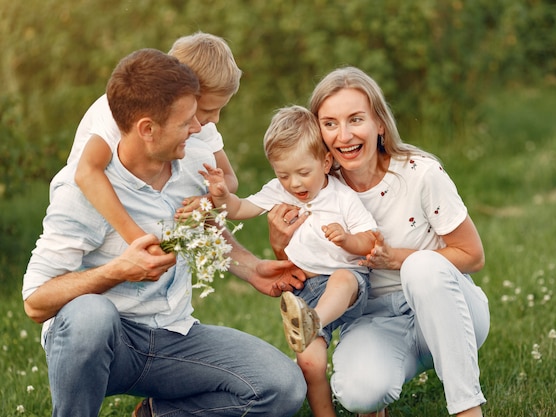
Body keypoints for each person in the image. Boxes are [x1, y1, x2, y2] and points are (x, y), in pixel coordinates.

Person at [22, 48, 307, 417]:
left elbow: (203, 224)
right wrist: (118, 271)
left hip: (173, 337)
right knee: (91, 316)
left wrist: (252, 268)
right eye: (187, 120)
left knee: (281, 387)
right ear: (147, 129)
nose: (199, 128)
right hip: (106, 344)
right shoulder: (82, 189)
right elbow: (34, 302)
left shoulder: (189, 159)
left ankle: (156, 414)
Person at [267, 67, 490, 417]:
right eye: (329, 123)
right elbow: (307, 268)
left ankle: (467, 409)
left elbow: (473, 255)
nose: (344, 135)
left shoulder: (420, 173)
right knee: (359, 391)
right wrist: (279, 244)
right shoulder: (314, 187)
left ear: (379, 124)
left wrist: (397, 258)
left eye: (356, 119)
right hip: (374, 320)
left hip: (448, 308)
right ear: (316, 133)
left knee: (421, 267)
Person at [201, 105, 377, 417]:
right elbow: (240, 208)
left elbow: (369, 241)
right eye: (283, 175)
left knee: (342, 279)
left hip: (347, 284)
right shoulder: (279, 191)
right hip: (306, 290)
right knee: (311, 362)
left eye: (303, 173)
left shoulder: (342, 198)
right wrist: (220, 196)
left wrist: (346, 240)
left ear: (325, 162)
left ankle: (314, 323)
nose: (294, 184)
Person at [67, 32, 241, 251]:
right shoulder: (123, 107)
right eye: (208, 110)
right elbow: (86, 173)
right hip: (91, 207)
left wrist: (208, 201)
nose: (215, 119)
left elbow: (228, 177)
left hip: (146, 203)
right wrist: (140, 242)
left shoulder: (196, 121)